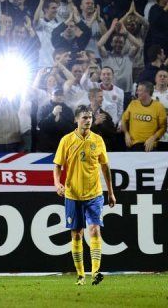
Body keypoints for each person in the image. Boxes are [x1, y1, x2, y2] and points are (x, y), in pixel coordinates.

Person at [53, 104, 116, 286]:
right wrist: (57, 183)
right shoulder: (66, 140)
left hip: (94, 194)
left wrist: (110, 192)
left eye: (89, 118)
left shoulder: (98, 140)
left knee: (95, 230)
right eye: (84, 118)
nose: (87, 121)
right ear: (76, 120)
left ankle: (96, 272)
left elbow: (105, 167)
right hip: (73, 194)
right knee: (76, 234)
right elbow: (57, 165)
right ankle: (81, 275)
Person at [122, 81, 167, 151]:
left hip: (150, 145)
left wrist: (153, 138)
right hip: (133, 144)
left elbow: (163, 127)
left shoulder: (159, 107)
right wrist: (126, 134)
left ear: (147, 92)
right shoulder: (133, 104)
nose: (137, 93)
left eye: (140, 91)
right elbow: (124, 120)